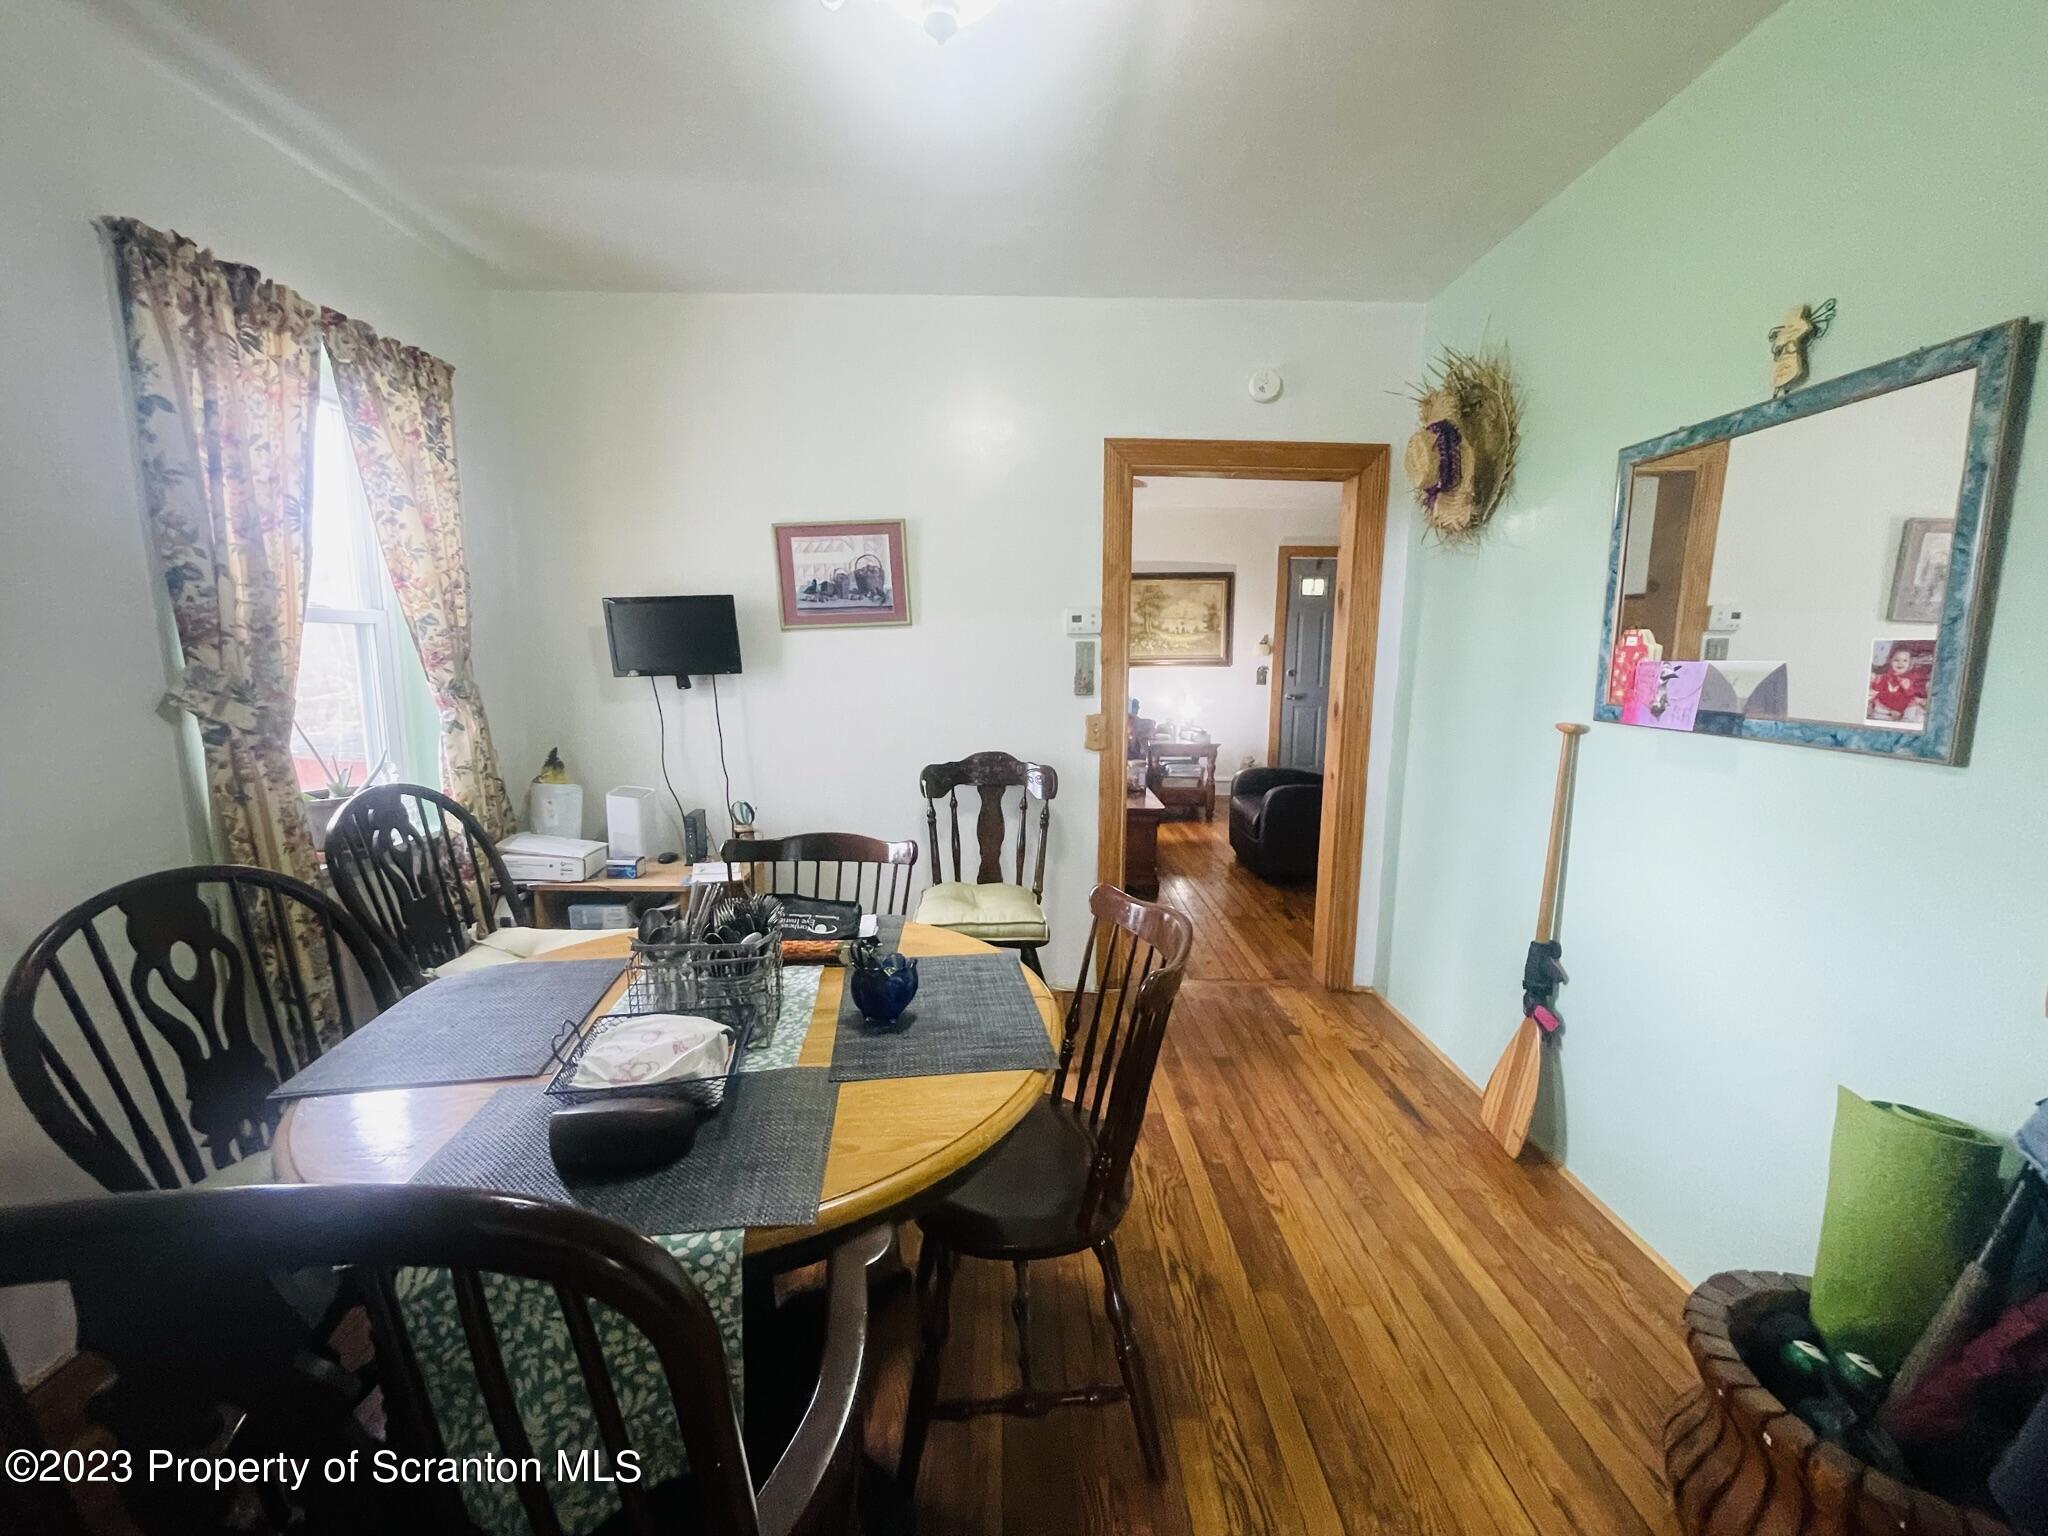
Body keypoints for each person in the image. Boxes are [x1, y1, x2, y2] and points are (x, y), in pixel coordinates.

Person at [1869, 642, 1930, 723]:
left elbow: (1911, 694)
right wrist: (1876, 682)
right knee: (1877, 707)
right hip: (1887, 702)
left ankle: (1902, 716)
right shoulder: (1886, 676)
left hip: (1903, 703)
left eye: (1905, 660)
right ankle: (1891, 713)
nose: (1900, 663)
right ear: (1890, 661)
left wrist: (1907, 687)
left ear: (1909, 663)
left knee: (1912, 709)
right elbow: (1878, 689)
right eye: (1896, 660)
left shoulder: (1910, 677)